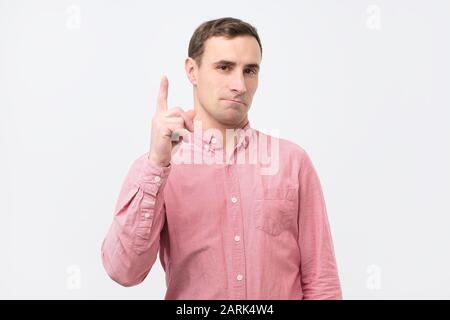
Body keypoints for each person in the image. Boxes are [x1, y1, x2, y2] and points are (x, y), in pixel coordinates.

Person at [101, 17, 343, 300]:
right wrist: (156, 164)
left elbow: (321, 281)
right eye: (224, 68)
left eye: (250, 70)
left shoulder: (293, 162)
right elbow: (124, 270)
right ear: (192, 70)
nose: (239, 85)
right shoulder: (156, 168)